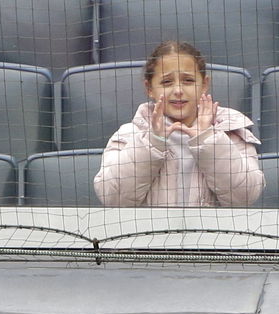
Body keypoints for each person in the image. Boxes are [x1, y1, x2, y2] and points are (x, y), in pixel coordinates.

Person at [93, 41, 264, 207]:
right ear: (149, 88)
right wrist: (152, 142)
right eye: (167, 82)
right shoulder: (129, 135)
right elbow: (113, 199)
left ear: (204, 84)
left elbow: (246, 196)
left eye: (188, 81)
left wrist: (208, 139)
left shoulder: (230, 132)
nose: (178, 90)